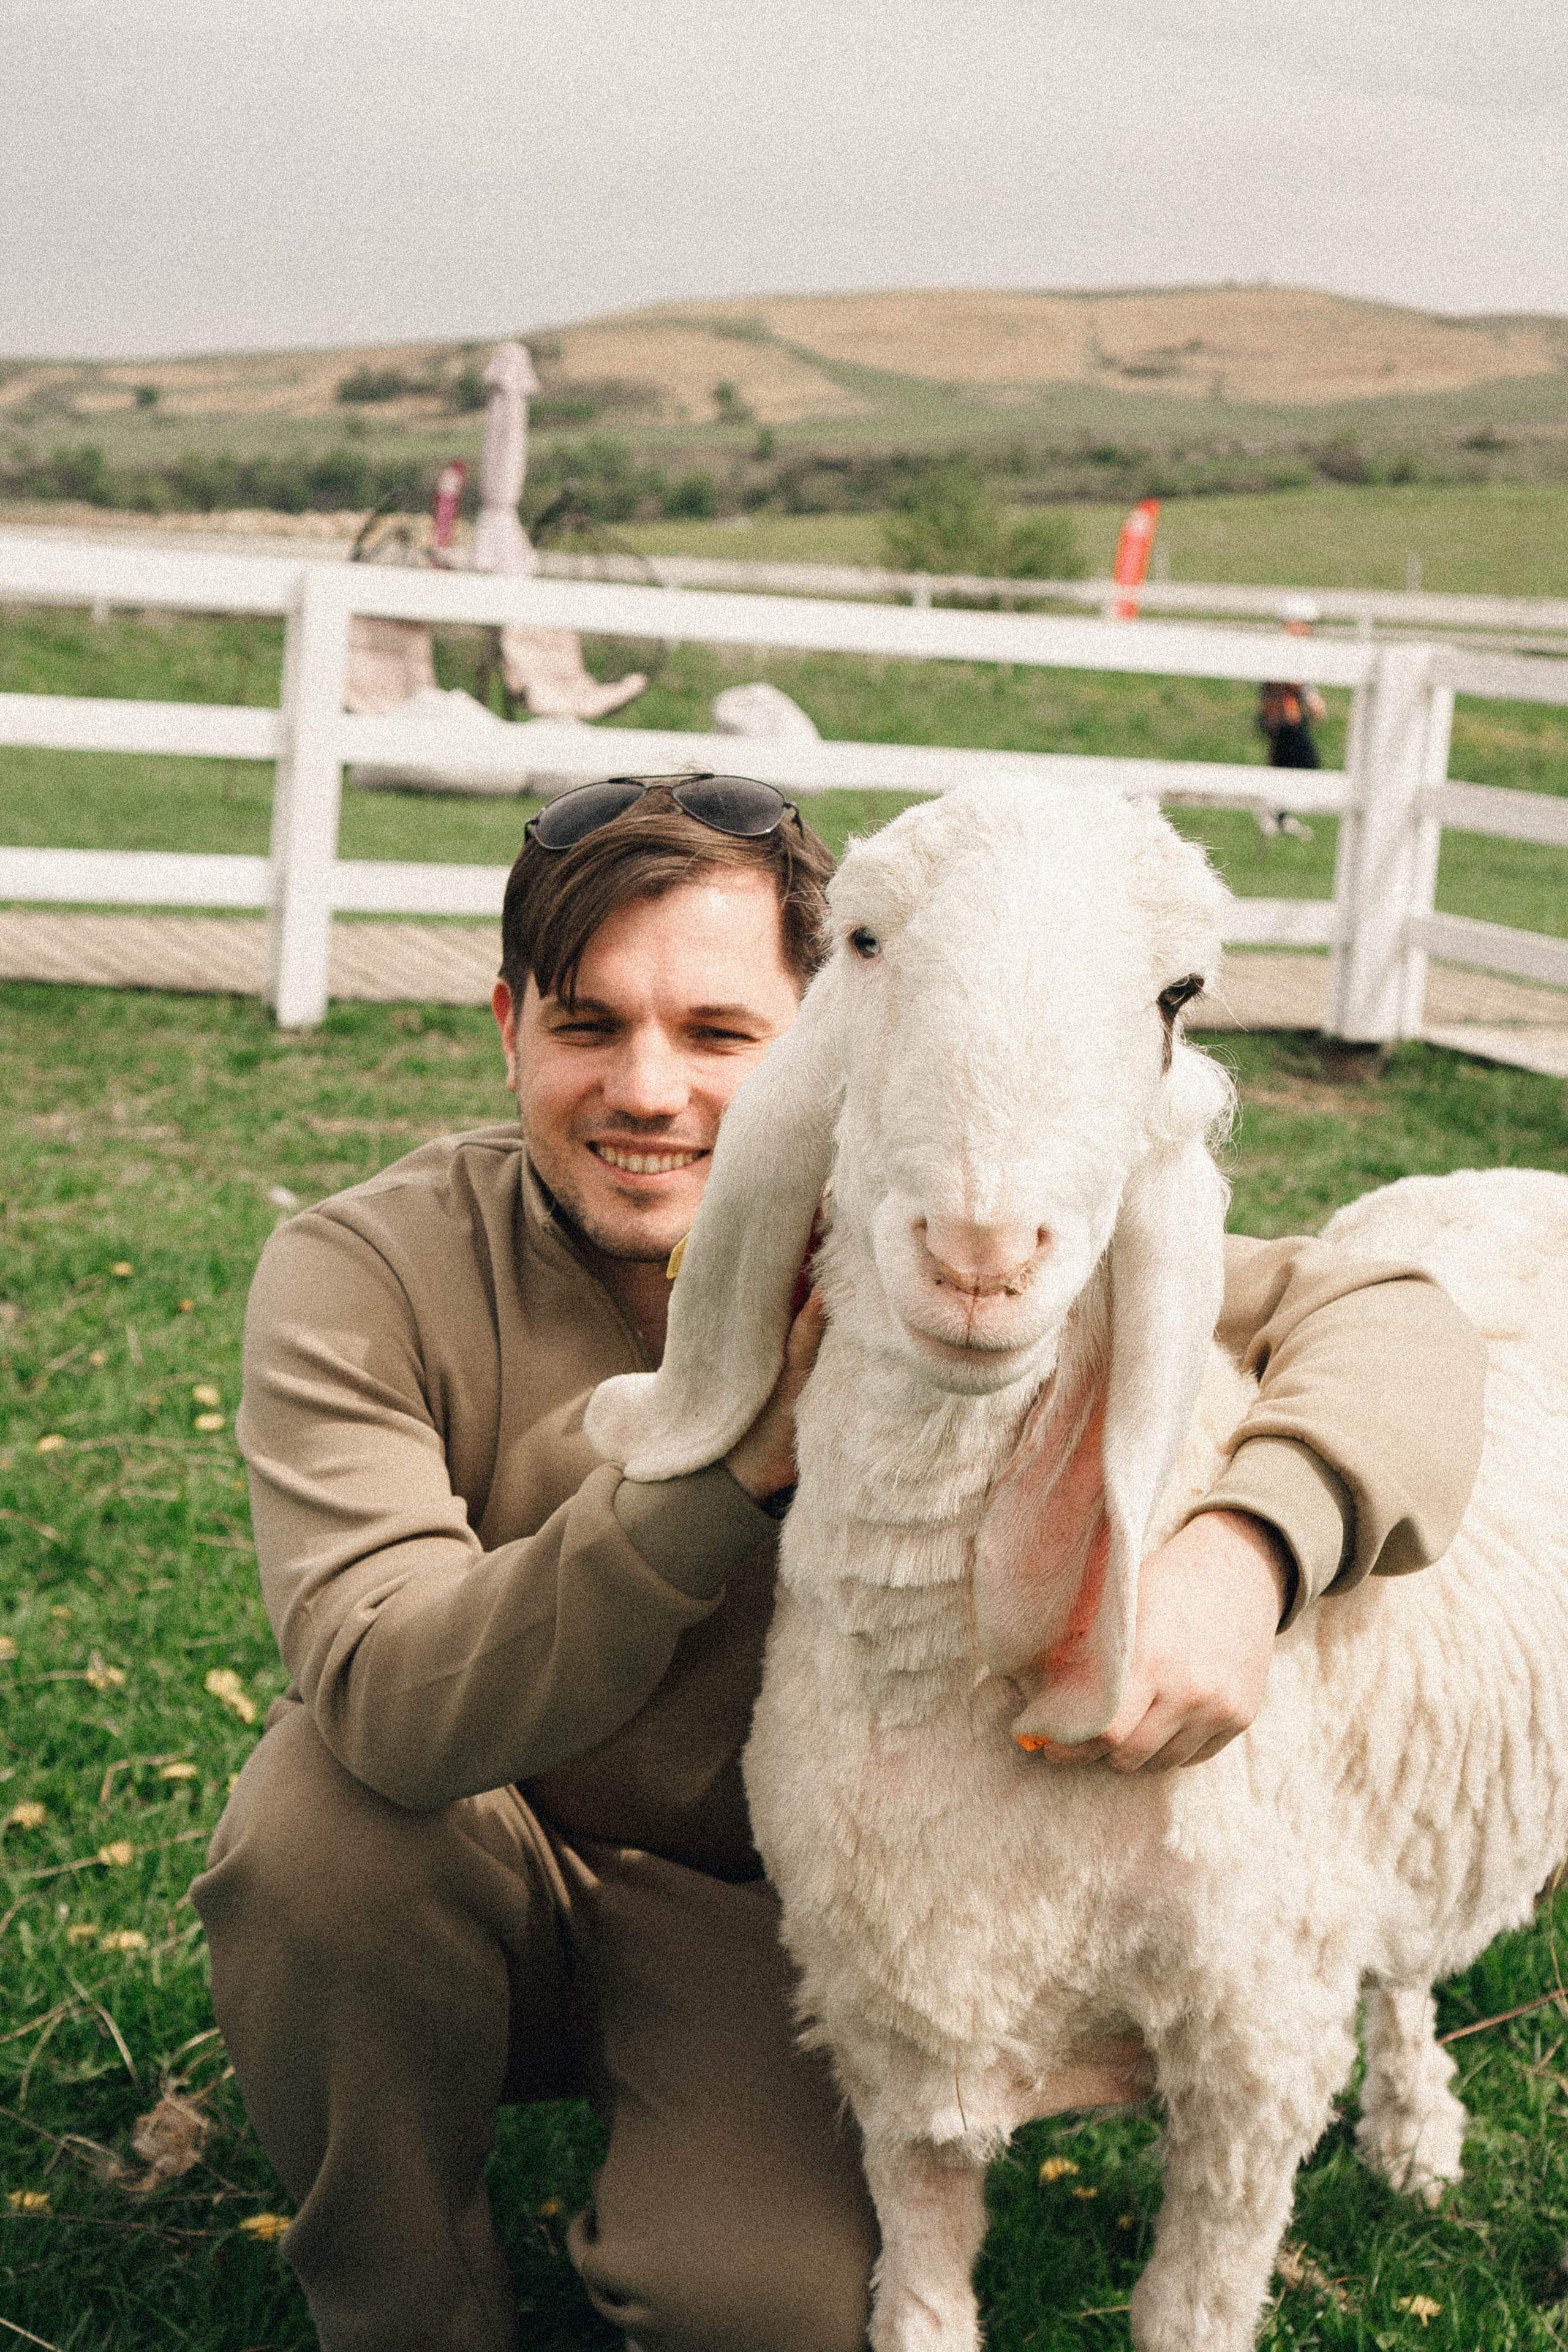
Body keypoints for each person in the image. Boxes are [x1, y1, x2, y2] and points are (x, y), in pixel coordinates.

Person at [192, 774, 1485, 2352]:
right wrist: (723, 1471)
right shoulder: (364, 1269)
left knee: (765, 2306)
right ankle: (407, 2313)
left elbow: (1393, 1323)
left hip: (769, 1903)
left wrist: (1250, 1545)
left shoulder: (936, 1215)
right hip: (483, 1845)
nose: (647, 1088)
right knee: (318, 1824)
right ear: (506, 1026)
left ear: (832, 1028)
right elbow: (390, 1693)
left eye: (719, 1034)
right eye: (588, 1024)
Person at [1256, 592, 1327, 840]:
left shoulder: (1285, 646)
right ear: (1293, 622)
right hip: (1285, 717)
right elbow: (1295, 680)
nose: (1309, 630)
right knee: (1305, 763)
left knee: (1283, 765)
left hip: (1284, 716)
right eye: (1306, 624)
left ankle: (1278, 815)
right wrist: (1312, 700)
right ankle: (1273, 813)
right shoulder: (1285, 647)